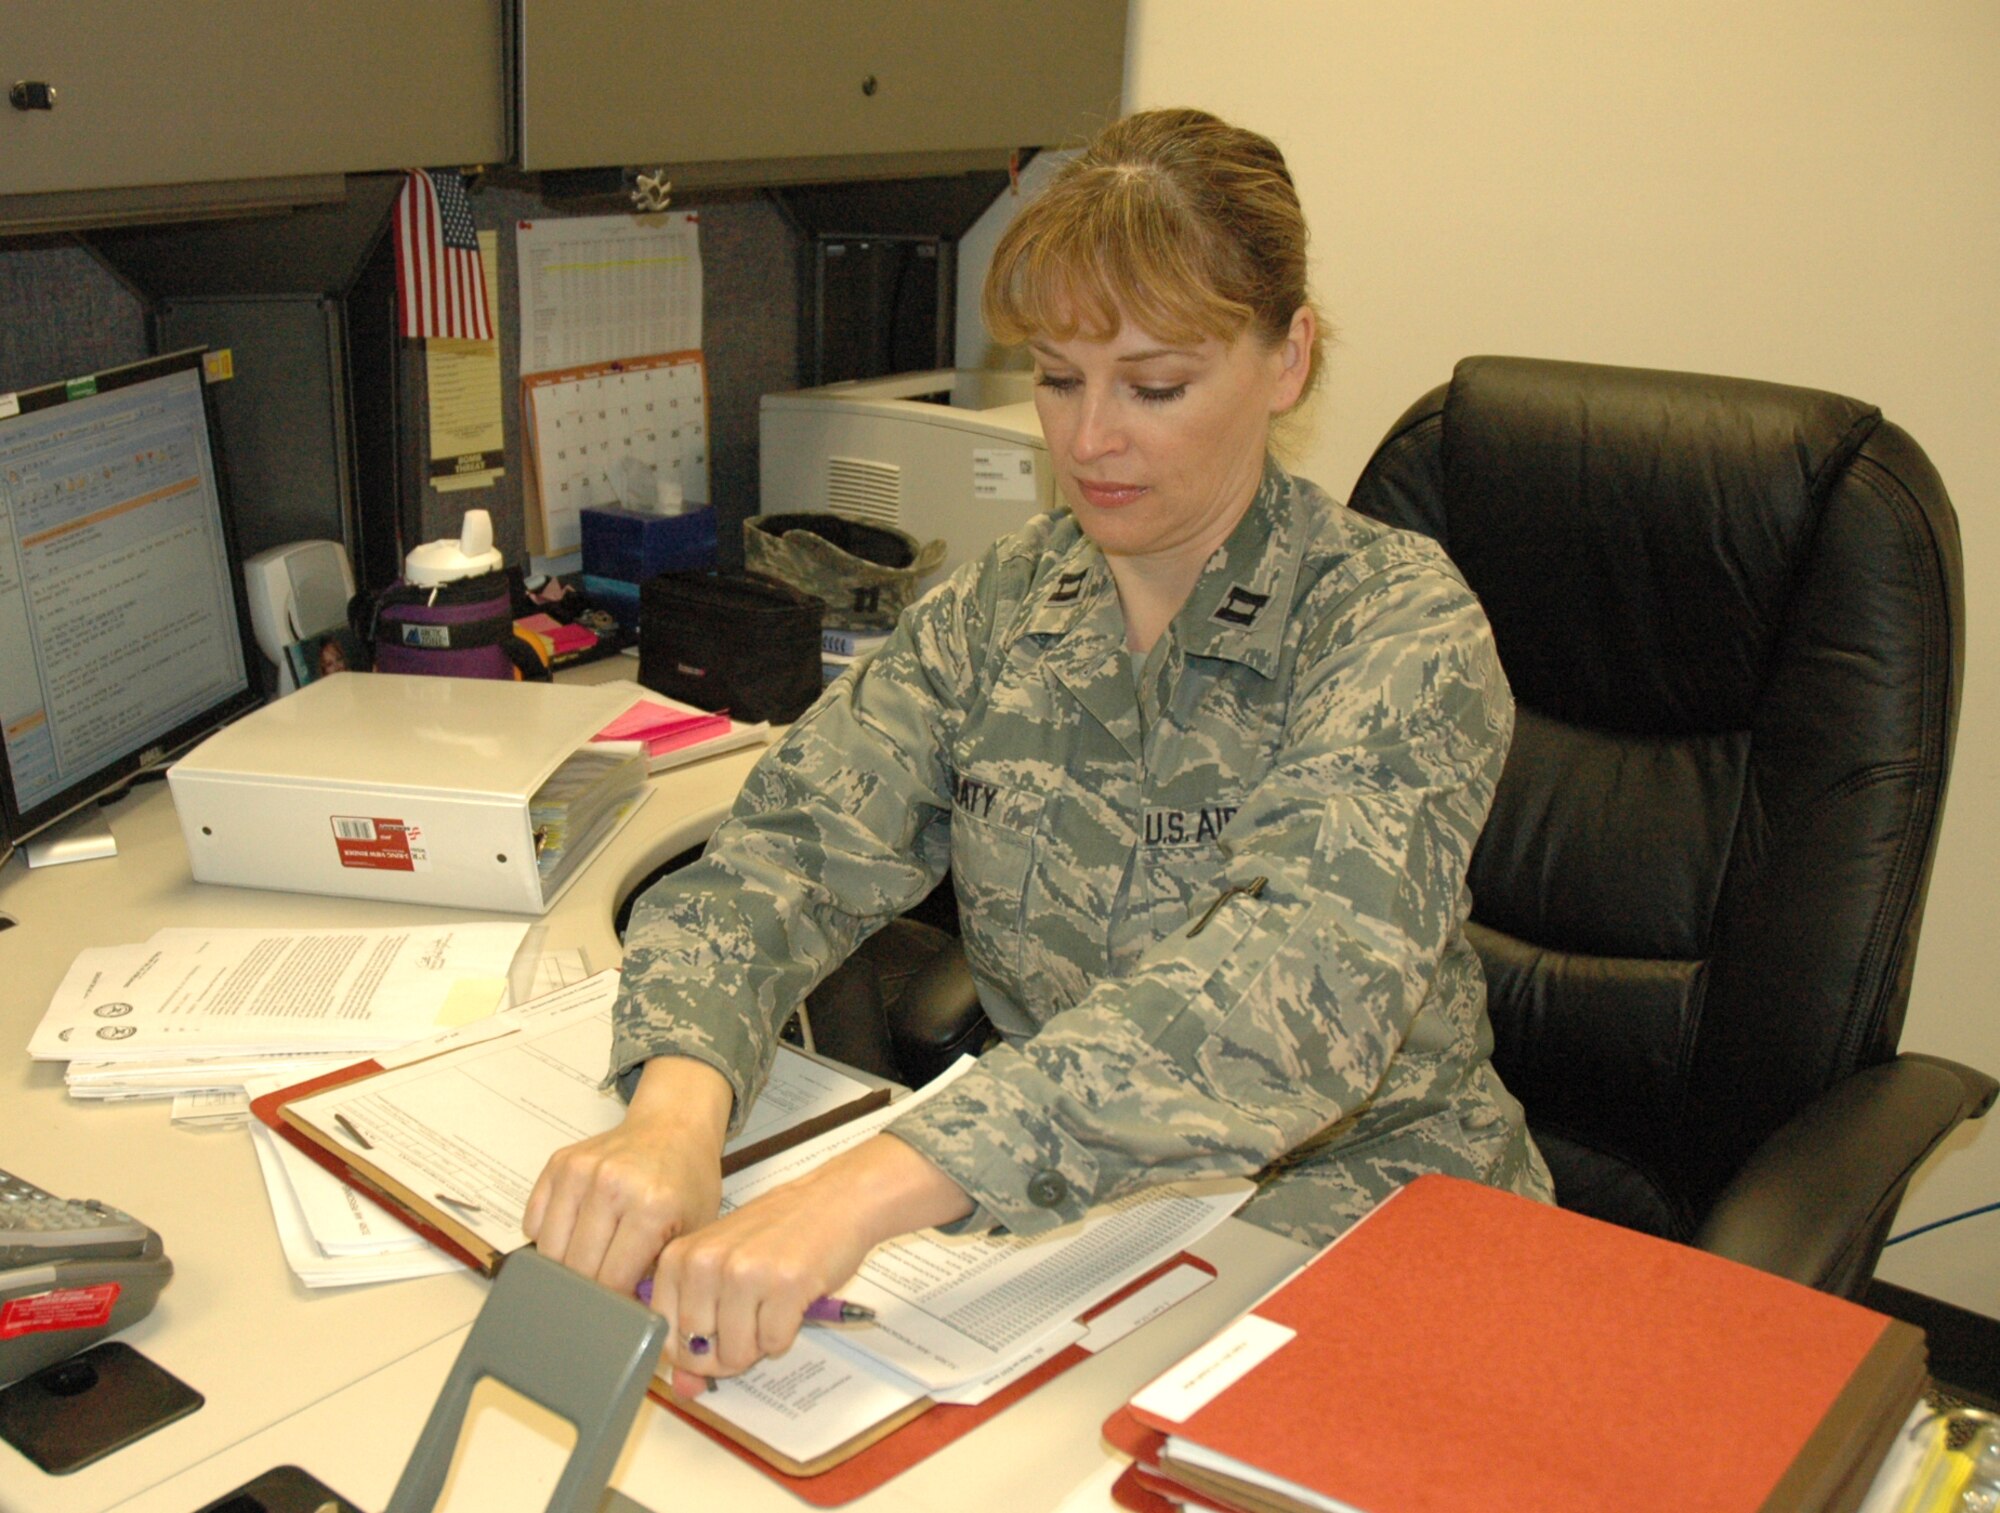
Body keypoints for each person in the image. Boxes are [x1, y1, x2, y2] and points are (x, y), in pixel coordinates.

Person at [526, 106, 1552, 1396]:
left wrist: (863, 1191)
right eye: (1060, 379)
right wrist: (676, 1112)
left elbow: (1295, 993)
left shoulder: (1393, 624)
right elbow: (781, 857)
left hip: (1380, 1239)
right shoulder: (1005, 608)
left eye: (1154, 387)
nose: (1089, 438)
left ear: (1288, 359)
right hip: (1094, 1241)